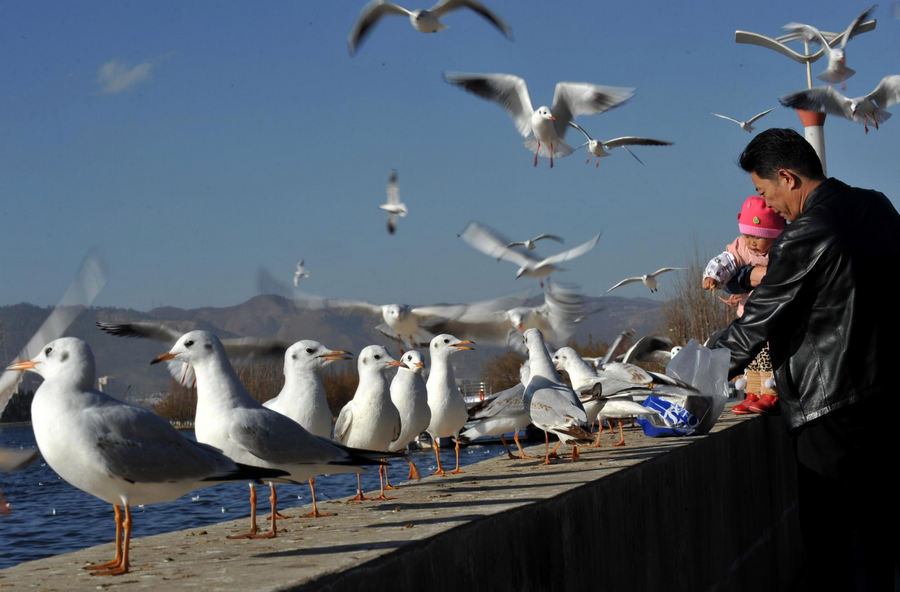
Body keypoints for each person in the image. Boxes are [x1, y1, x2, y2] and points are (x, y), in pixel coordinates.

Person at [709, 128, 899, 590]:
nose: (767, 205)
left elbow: (756, 324)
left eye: (764, 191)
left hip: (829, 411)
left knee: (832, 549)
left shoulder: (805, 233)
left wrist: (695, 374)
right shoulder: (877, 207)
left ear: (788, 177)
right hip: (886, 402)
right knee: (878, 543)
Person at [702, 195, 785, 415]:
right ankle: (753, 393)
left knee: (769, 356)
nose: (751, 242)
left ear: (774, 234)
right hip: (750, 313)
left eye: (757, 237)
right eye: (747, 236)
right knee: (752, 358)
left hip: (774, 316)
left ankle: (771, 392)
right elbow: (728, 260)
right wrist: (714, 276)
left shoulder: (783, 248)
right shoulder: (744, 247)